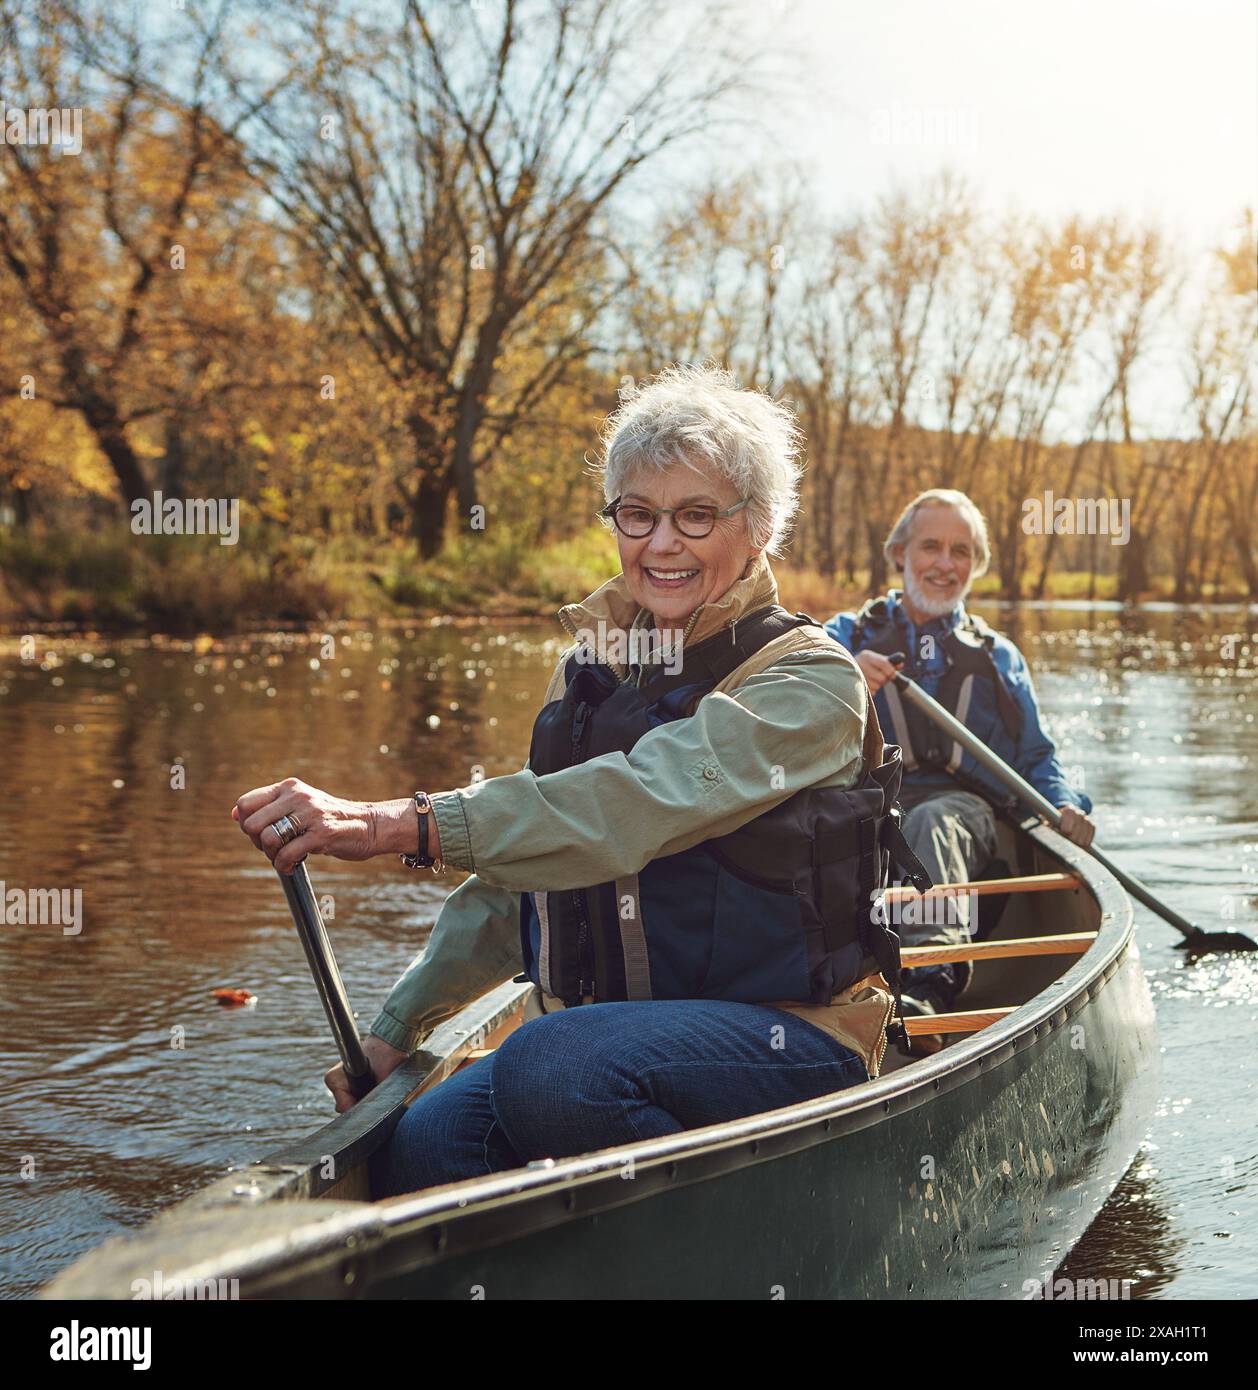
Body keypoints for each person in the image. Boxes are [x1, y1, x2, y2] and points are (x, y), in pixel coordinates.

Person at [232, 363, 925, 1196]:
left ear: (761, 527)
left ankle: (720, 1236)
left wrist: (395, 825)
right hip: (601, 1042)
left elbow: (638, 802)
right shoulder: (593, 674)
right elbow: (516, 883)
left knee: (551, 1068)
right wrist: (396, 1029)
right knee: (421, 1152)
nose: (661, 544)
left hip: (788, 1036)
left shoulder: (812, 679)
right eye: (638, 515)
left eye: (696, 516)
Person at [824, 489, 1095, 1046]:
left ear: (977, 566)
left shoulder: (997, 656)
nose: (946, 564)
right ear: (899, 552)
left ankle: (931, 980)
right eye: (931, 546)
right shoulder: (841, 639)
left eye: (962, 551)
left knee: (934, 821)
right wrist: (842, 678)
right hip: (870, 804)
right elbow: (785, 715)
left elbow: (1037, 755)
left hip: (964, 812)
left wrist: (1067, 804)